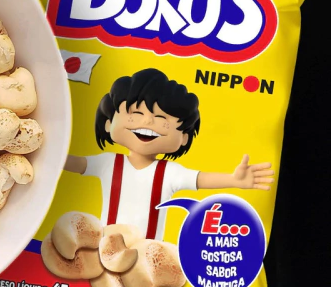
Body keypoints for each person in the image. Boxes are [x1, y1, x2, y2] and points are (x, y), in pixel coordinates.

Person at [64, 68, 274, 241]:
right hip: (104, 248)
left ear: (183, 137)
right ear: (108, 123)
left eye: (161, 118)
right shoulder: (108, 163)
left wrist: (234, 180)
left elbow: (200, 179)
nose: (147, 121)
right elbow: (73, 163)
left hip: (149, 256)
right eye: (136, 113)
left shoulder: (168, 172)